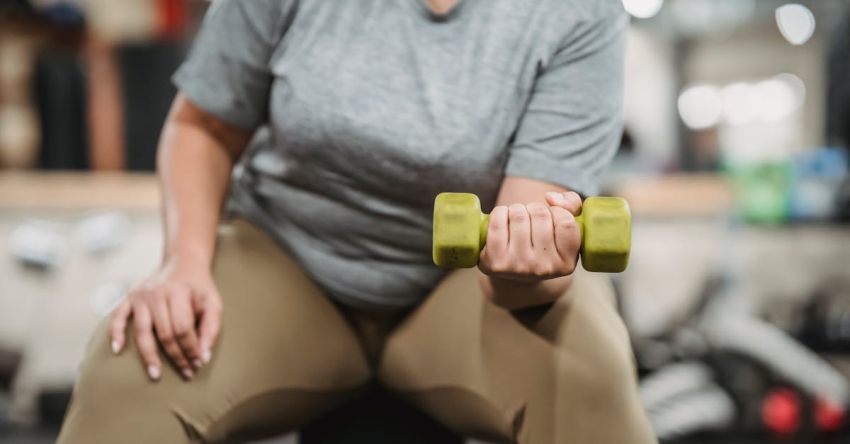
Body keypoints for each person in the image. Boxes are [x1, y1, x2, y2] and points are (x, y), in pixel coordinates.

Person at [58, 0, 656, 442]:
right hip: (288, 260)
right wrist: (182, 260)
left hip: (457, 290)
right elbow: (204, 126)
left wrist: (524, 265)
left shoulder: (580, 12)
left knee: (589, 368)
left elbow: (522, 243)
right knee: (133, 364)